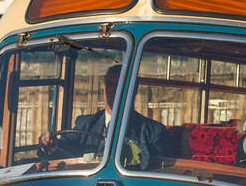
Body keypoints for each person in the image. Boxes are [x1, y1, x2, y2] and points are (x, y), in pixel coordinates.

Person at [39, 63, 168, 169]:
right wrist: (51, 142)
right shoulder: (85, 124)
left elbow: (160, 170)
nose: (111, 90)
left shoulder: (153, 131)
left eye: (118, 85)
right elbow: (65, 144)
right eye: (109, 84)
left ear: (133, 90)